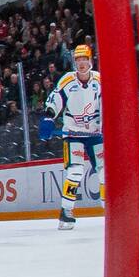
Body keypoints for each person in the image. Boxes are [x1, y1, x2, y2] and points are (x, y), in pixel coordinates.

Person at [42, 44, 102, 230]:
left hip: (95, 133)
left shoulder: (100, 79)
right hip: (73, 134)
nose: (81, 63)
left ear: (90, 60)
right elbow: (56, 99)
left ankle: (110, 209)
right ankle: (66, 212)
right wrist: (49, 115)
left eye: (84, 59)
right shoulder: (68, 80)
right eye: (78, 60)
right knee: (75, 172)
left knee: (104, 170)